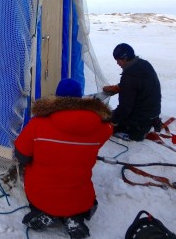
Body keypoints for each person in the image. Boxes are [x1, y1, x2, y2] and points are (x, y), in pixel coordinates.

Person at [14, 78, 113, 239]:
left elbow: (21, 155)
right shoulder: (99, 127)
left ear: (57, 97)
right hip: (80, 199)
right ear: (81, 98)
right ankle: (73, 216)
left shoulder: (37, 123)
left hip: (41, 195)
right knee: (81, 195)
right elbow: (108, 130)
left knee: (36, 176)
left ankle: (47, 213)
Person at [103, 43, 162, 141]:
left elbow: (124, 109)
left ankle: (133, 132)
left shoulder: (129, 78)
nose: (117, 63)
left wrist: (108, 119)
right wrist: (118, 87)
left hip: (139, 123)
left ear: (125, 58)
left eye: (118, 60)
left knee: (106, 124)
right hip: (152, 115)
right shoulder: (144, 64)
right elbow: (140, 84)